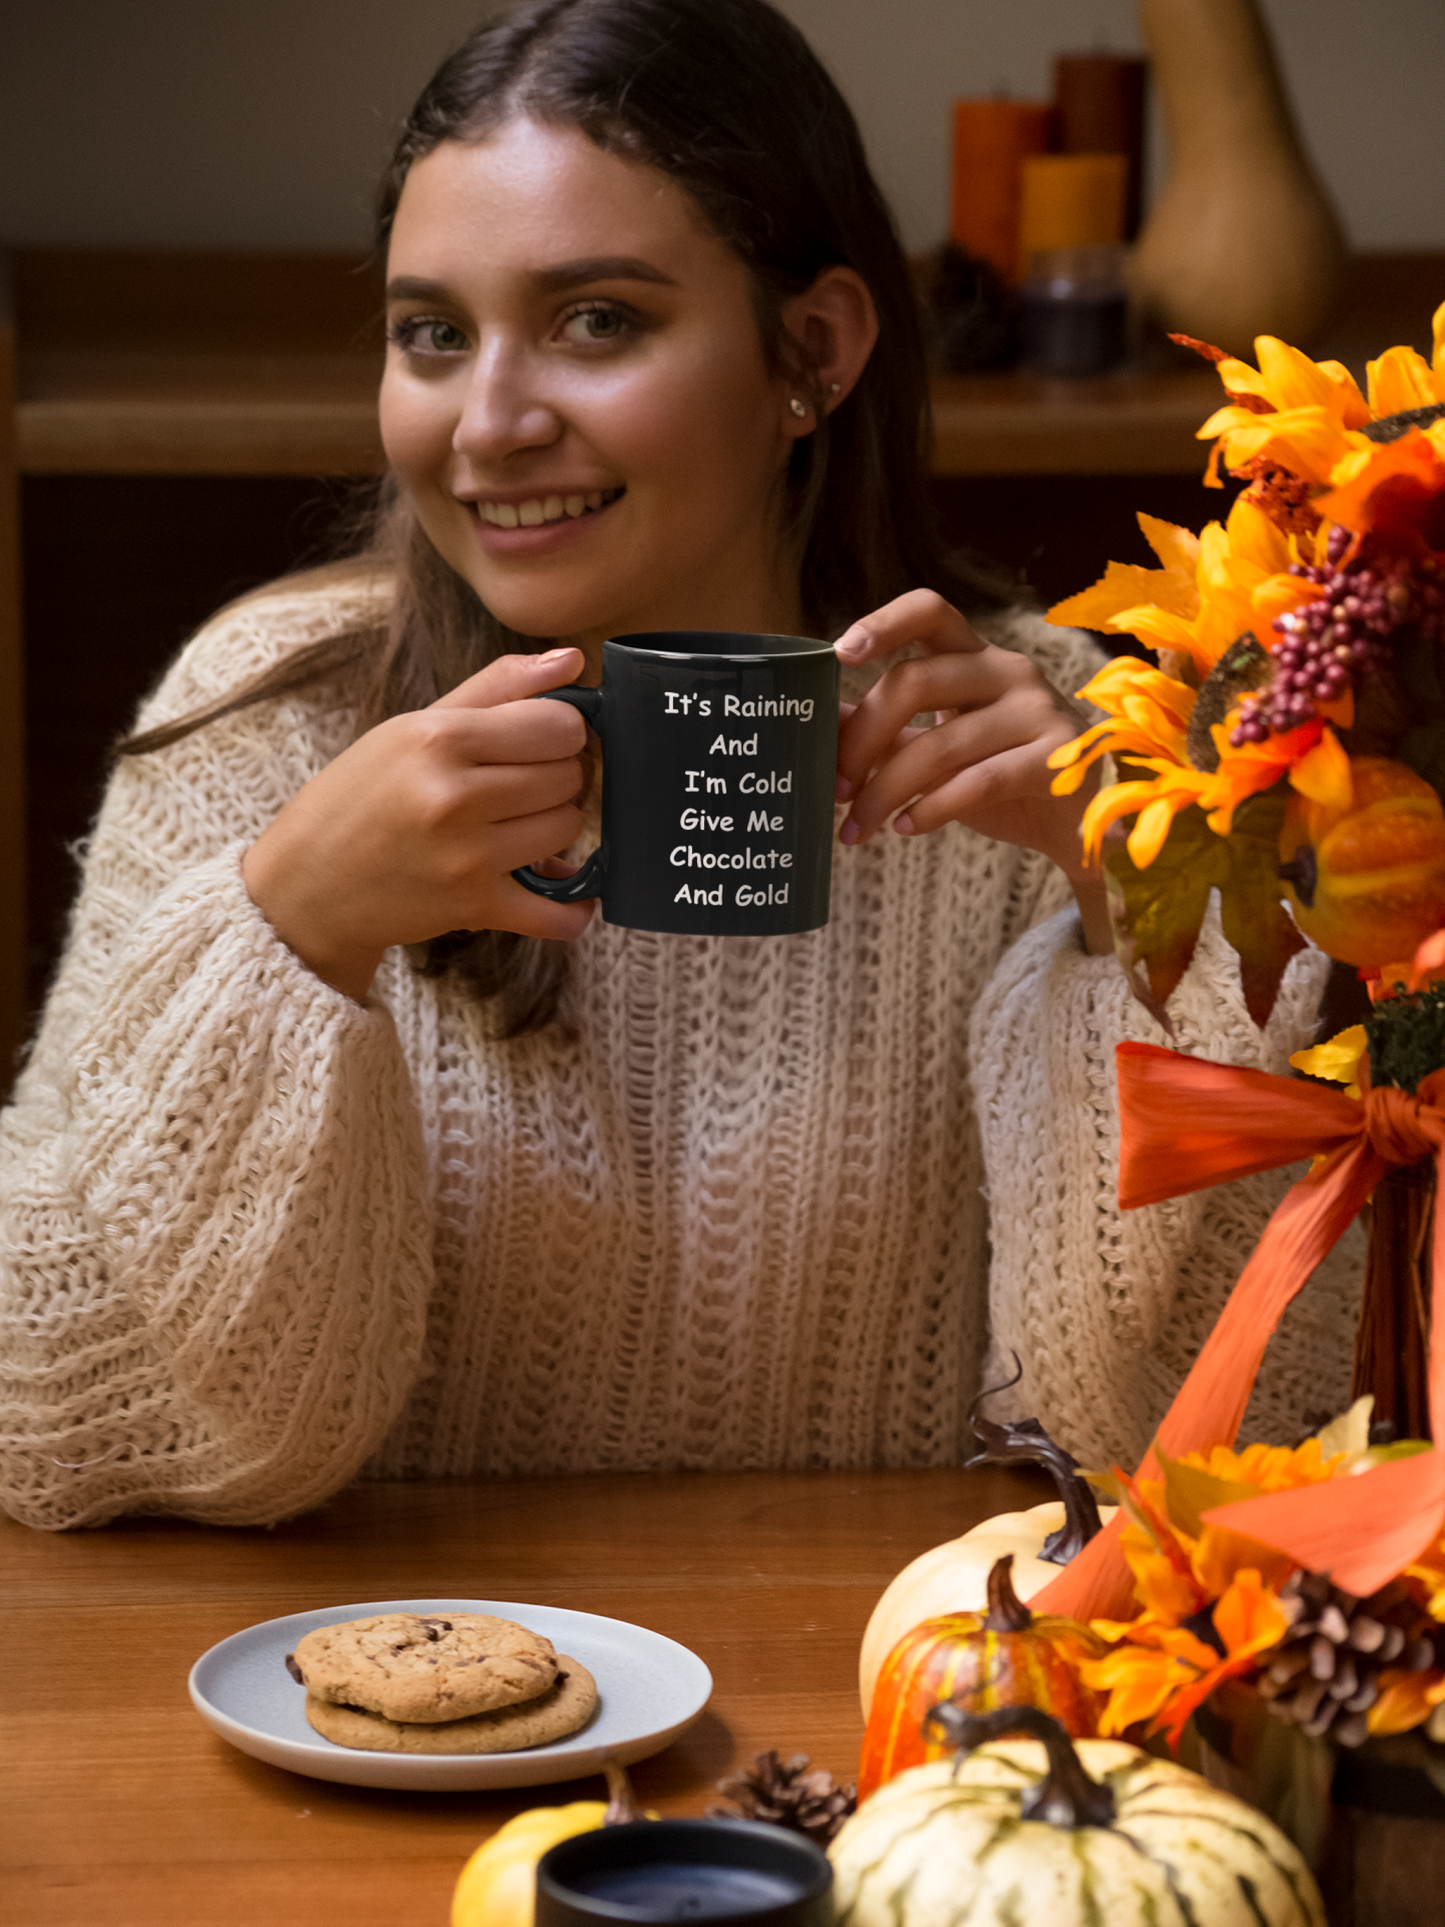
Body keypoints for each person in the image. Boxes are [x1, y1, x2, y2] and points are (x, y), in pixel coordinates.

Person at [0, 0, 1360, 1531]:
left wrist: (1141, 913)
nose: (490, 424)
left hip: (871, 1717)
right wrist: (292, 927)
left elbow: (1212, 1453)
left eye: (596, 320)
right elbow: (55, 1419)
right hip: (359, 1717)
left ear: (815, 350)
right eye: (433, 333)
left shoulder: (1072, 748)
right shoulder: (264, 728)